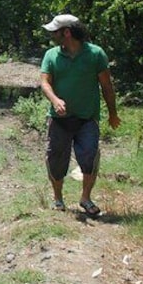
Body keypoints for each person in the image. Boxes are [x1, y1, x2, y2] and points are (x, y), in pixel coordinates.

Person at [40, 14, 121, 216]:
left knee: (89, 157)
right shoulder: (51, 55)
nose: (51, 35)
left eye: (54, 31)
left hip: (87, 118)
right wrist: (55, 100)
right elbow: (45, 83)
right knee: (56, 159)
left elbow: (106, 86)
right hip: (59, 120)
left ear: (66, 32)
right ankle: (58, 199)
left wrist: (113, 113)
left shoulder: (95, 54)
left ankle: (85, 198)